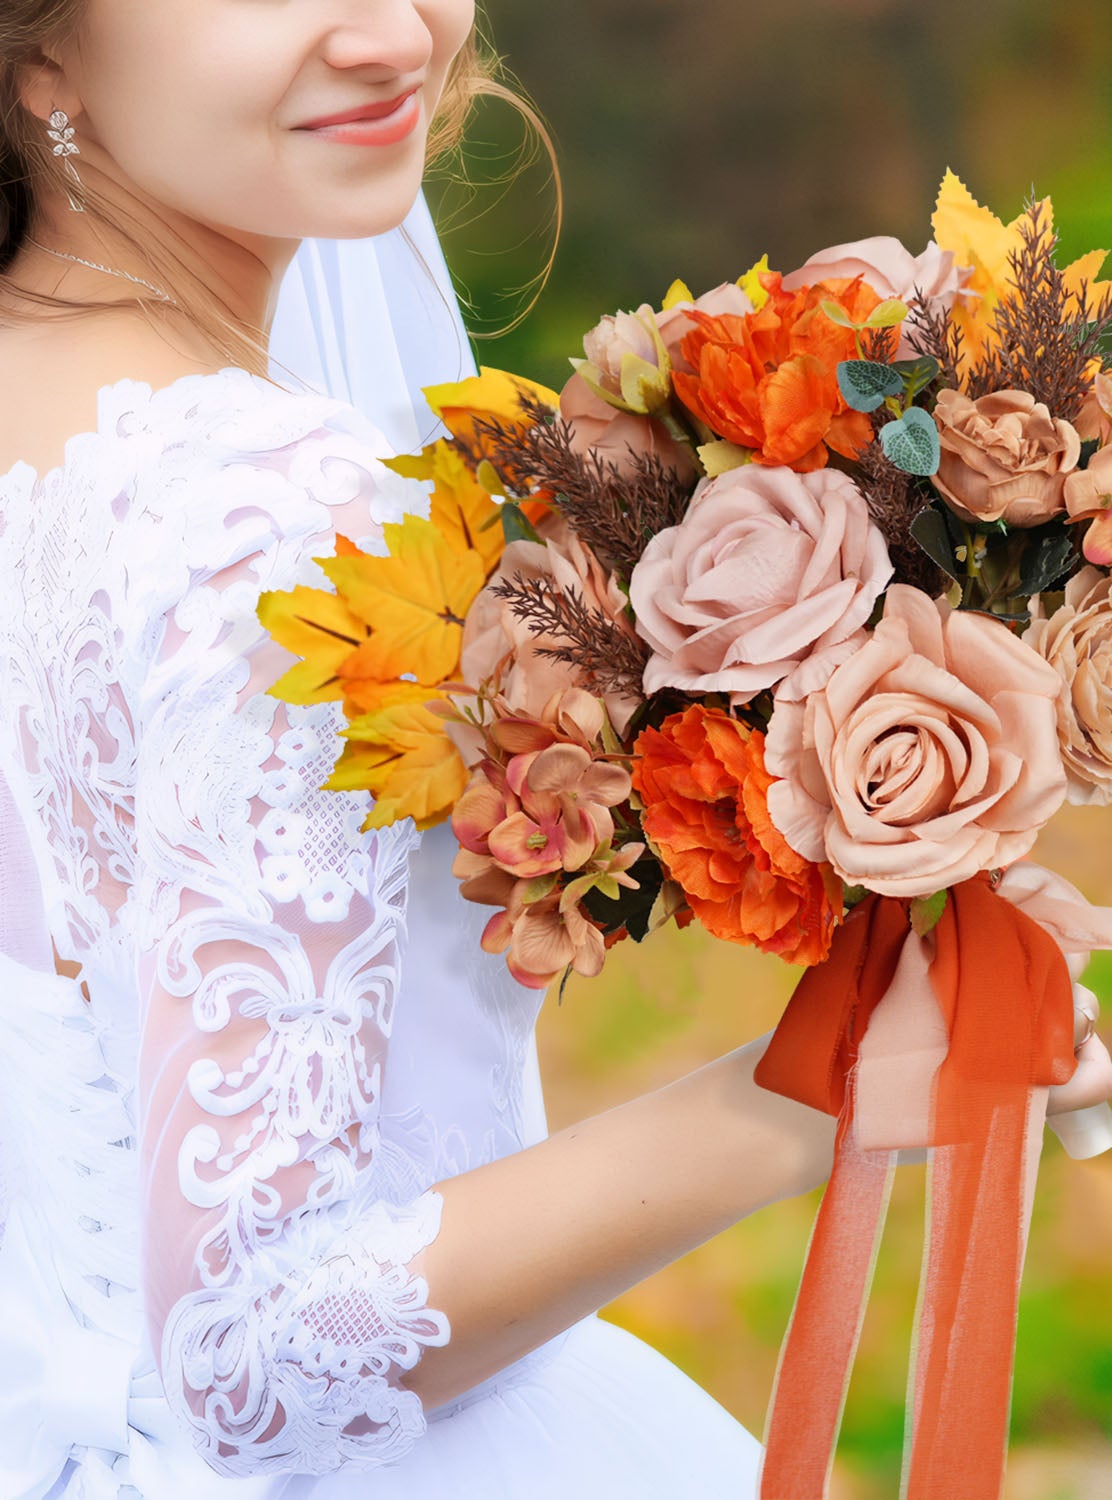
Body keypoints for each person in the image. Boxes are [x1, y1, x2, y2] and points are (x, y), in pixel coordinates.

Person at [0, 3, 853, 1494]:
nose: (398, 30)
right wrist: (808, 1092)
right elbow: (252, 1359)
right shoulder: (262, 525)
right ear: (34, 48)